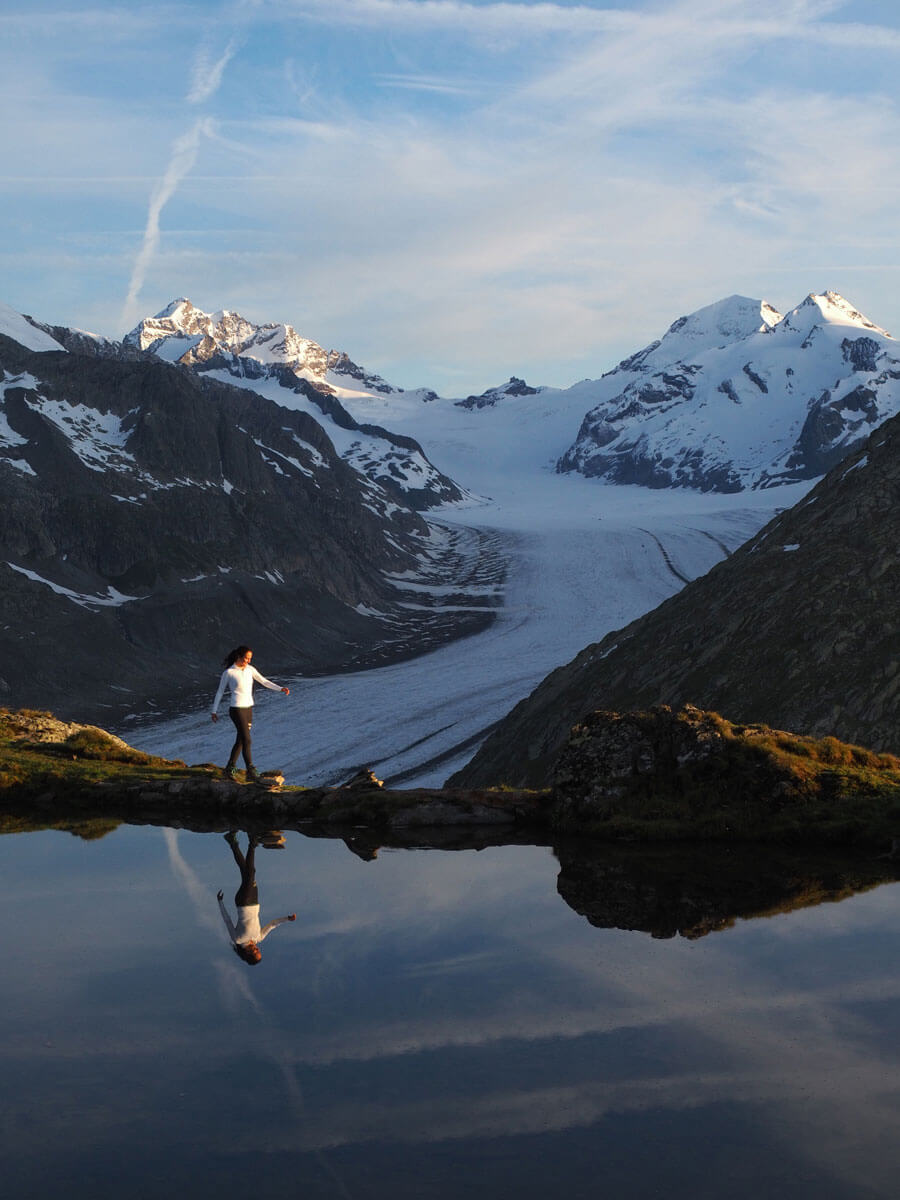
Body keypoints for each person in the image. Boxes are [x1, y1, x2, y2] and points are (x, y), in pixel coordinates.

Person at [211, 645, 290, 781]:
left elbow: (264, 681)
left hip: (248, 709)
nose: (248, 661)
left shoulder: (250, 670)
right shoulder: (229, 673)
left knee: (241, 740)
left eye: (250, 658)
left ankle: (229, 768)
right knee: (247, 739)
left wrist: (280, 688)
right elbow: (220, 692)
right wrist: (214, 711)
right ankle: (250, 770)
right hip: (236, 709)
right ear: (239, 657)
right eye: (246, 658)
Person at [217, 831, 296, 965]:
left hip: (243, 902)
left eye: (255, 952)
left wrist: (220, 902)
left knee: (250, 873)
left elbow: (227, 920)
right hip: (254, 901)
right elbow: (272, 924)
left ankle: (253, 841)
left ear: (248, 954)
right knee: (245, 871)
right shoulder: (259, 938)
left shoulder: (238, 939)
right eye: (258, 951)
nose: (257, 949)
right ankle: (232, 841)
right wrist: (287, 919)